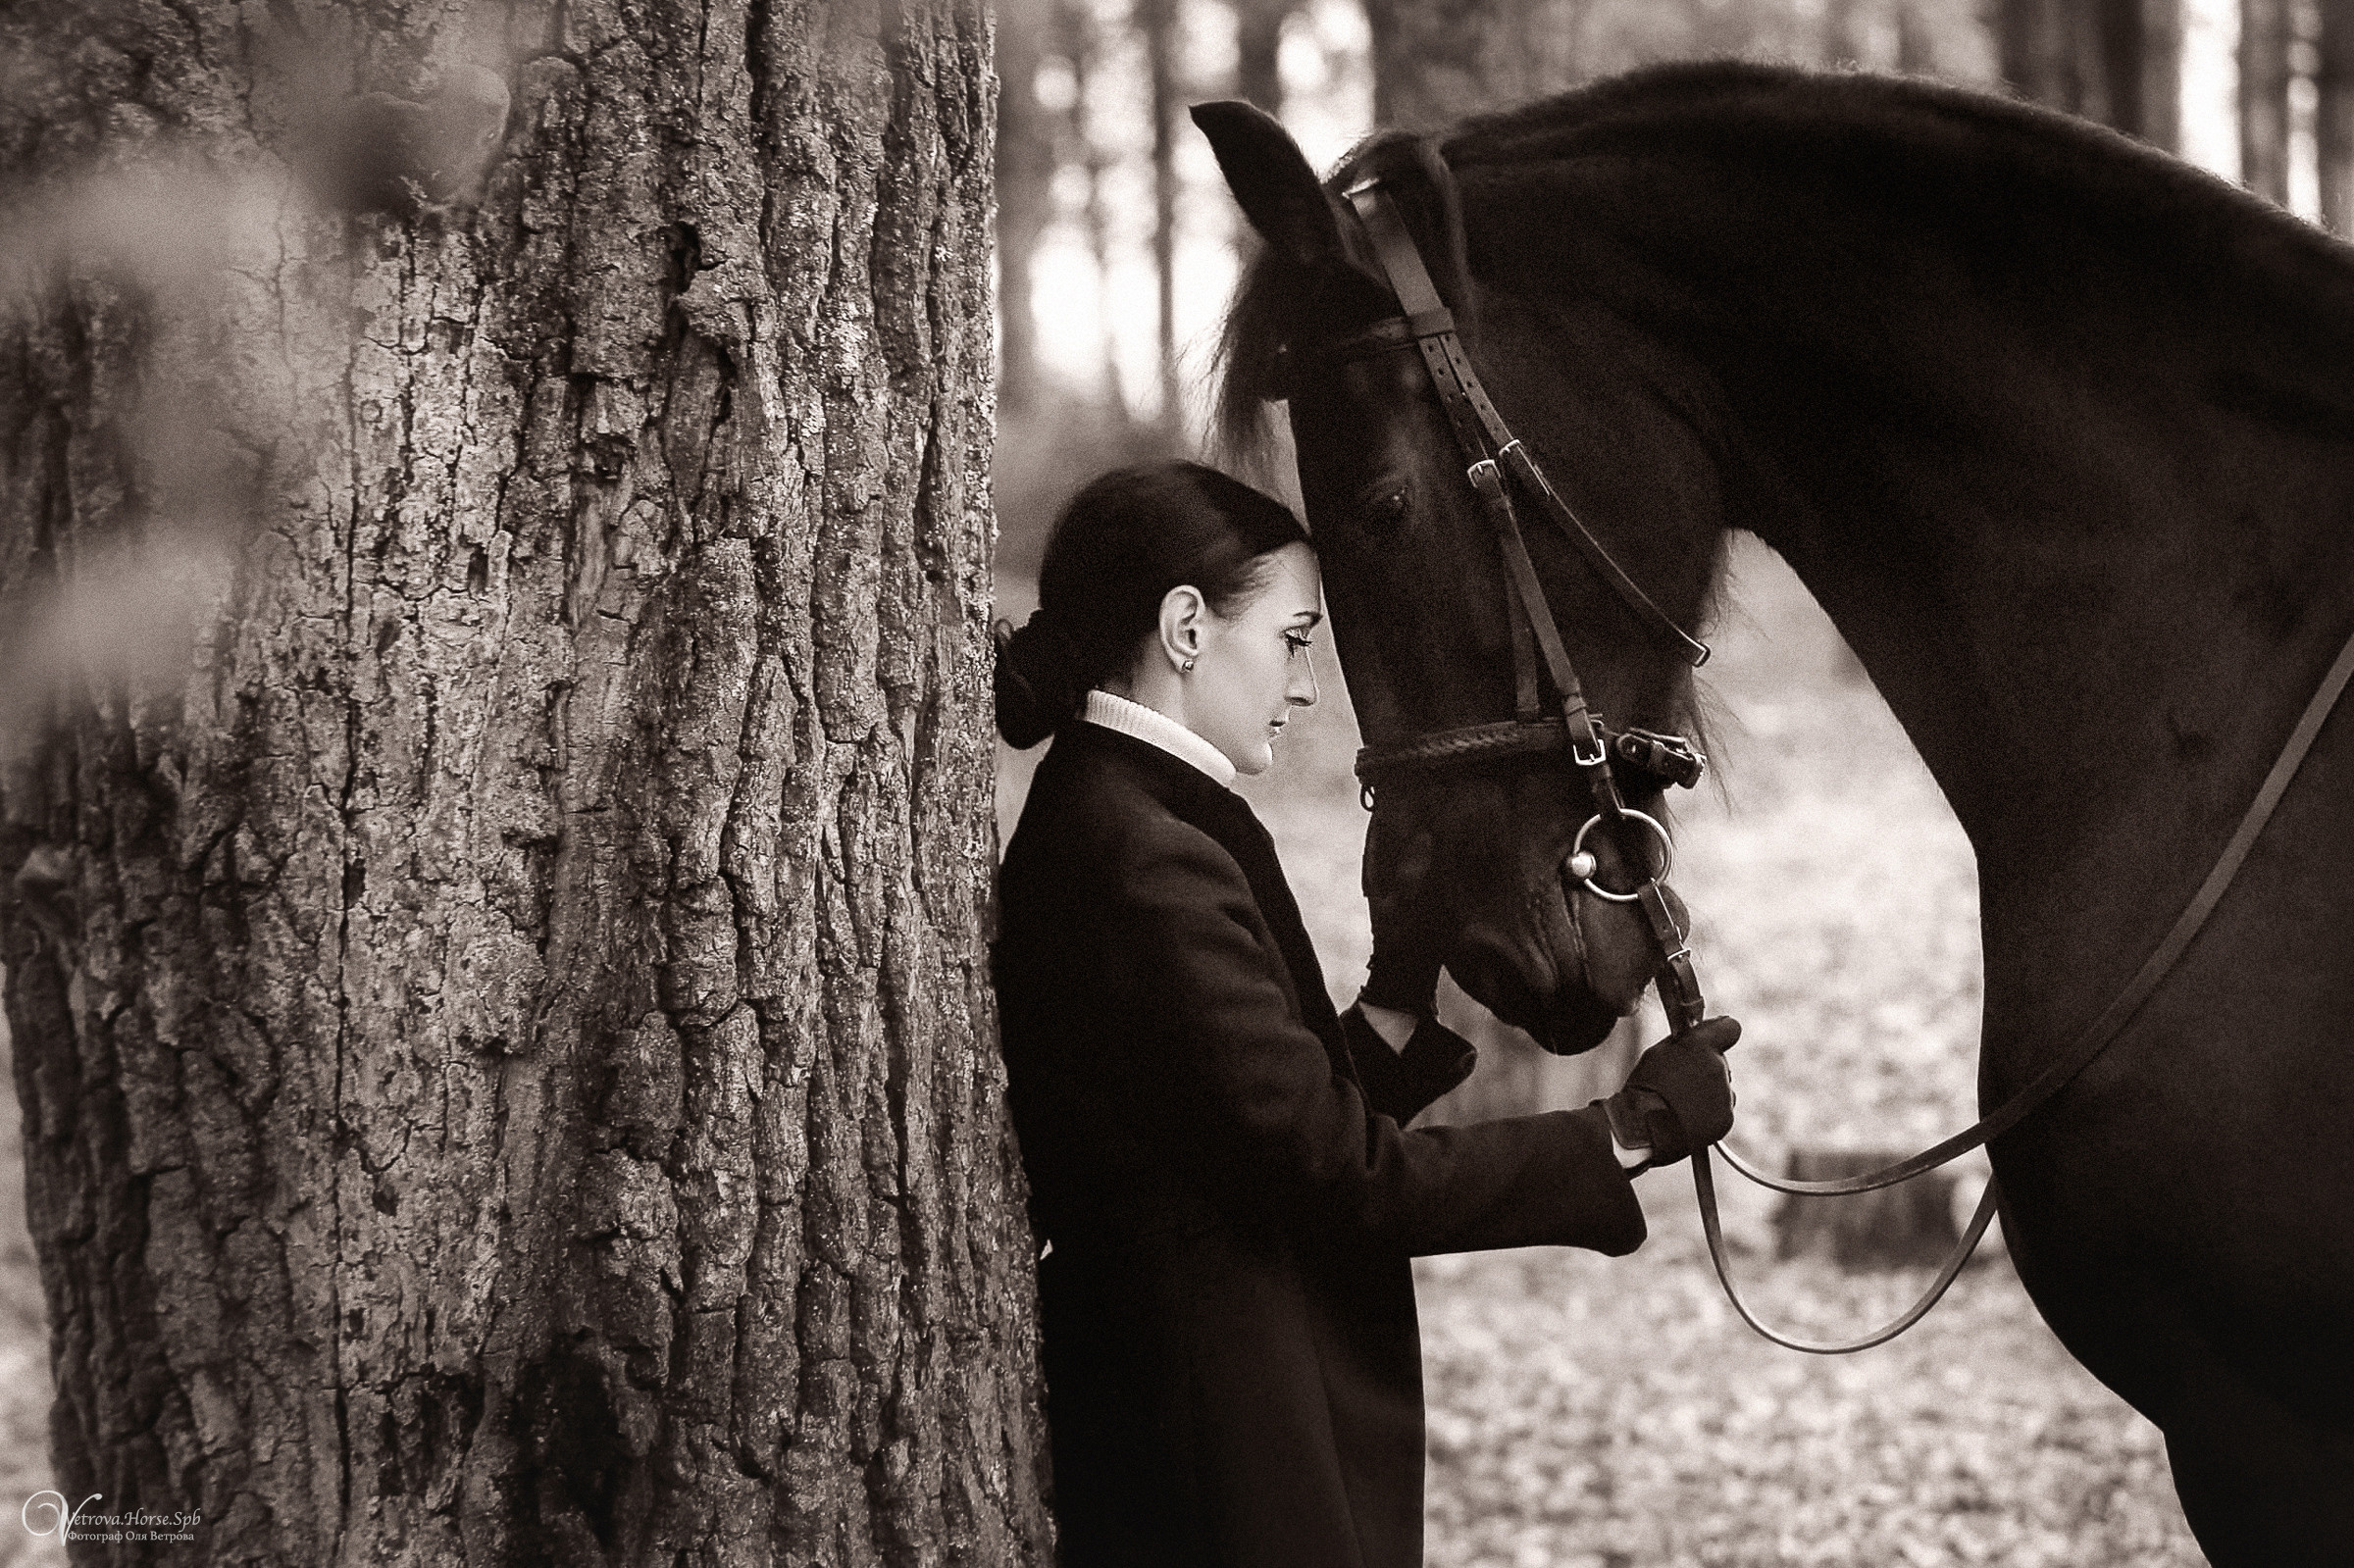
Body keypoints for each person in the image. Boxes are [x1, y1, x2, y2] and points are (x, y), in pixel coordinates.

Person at [992, 460, 1739, 1568]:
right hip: (1215, 1443)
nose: (1305, 686)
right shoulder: (1138, 850)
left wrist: (1398, 988)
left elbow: (1235, 1127)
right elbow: (1343, 1179)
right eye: (1295, 639)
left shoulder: (1136, 811)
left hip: (1219, 1404)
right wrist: (1629, 1130)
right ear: (1188, 626)